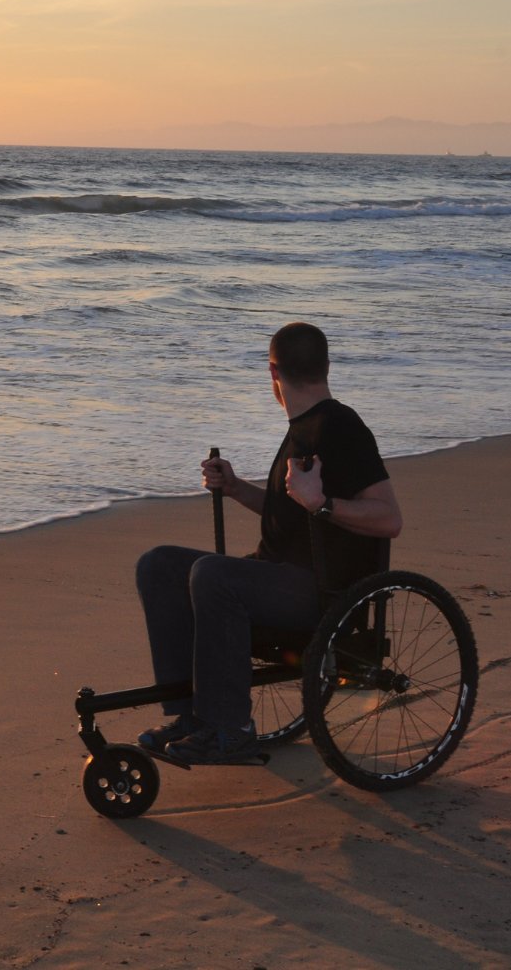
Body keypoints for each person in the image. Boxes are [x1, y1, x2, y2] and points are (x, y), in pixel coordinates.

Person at [135, 322, 402, 764]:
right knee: (158, 565)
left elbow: (389, 518)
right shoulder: (302, 428)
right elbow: (291, 513)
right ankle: (192, 717)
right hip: (281, 576)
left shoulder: (339, 426)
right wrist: (236, 488)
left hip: (324, 593)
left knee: (213, 574)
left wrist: (322, 503)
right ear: (327, 366)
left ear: (272, 372)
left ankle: (232, 730)